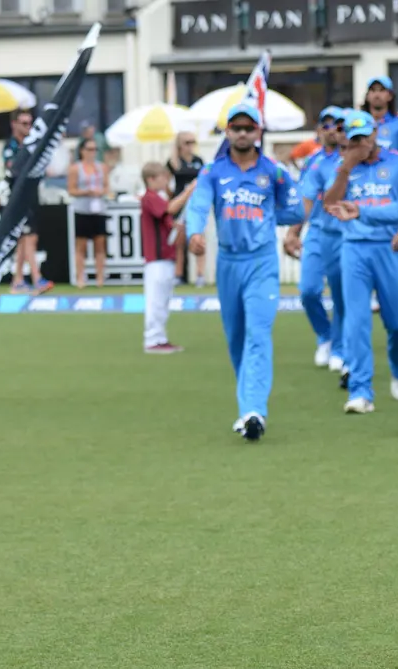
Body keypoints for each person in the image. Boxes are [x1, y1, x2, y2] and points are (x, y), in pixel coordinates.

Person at [184, 103, 305, 441]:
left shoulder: (274, 171)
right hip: (228, 262)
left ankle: (254, 410)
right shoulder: (213, 171)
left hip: (261, 262)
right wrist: (194, 232)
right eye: (236, 128)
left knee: (258, 332)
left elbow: (296, 209)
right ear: (227, 132)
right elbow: (198, 204)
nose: (242, 133)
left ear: (258, 132)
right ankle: (247, 408)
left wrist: (269, 218)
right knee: (236, 337)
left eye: (248, 128)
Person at [321, 110, 398, 415]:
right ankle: (360, 390)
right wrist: (346, 167)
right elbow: (329, 203)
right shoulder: (344, 166)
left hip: (389, 248)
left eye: (365, 136)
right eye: (355, 139)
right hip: (354, 248)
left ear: (375, 133)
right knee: (357, 321)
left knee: (396, 322)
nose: (361, 143)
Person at [285, 106, 347, 374]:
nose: (332, 130)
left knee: (342, 295)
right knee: (308, 290)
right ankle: (325, 336)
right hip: (318, 234)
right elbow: (306, 200)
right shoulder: (314, 162)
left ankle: (340, 348)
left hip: (346, 235)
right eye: (327, 124)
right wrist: (293, 232)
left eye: (338, 125)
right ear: (319, 129)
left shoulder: (354, 159)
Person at [141, 161, 195, 354]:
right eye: (163, 177)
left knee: (163, 301)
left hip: (165, 257)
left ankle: (160, 338)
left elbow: (166, 220)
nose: (166, 181)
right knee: (156, 301)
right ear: (151, 179)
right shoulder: (150, 198)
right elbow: (170, 209)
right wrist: (188, 192)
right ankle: (152, 339)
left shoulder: (157, 198)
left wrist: (175, 227)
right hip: (156, 260)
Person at [3, 110, 52, 294]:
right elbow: (14, 168)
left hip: (30, 195)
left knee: (25, 239)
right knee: (28, 238)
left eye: (30, 124)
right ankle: (36, 277)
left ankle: (18, 280)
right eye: (24, 123)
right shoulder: (11, 146)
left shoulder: (32, 145)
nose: (28, 128)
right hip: (18, 197)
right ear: (14, 124)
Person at [68, 137, 109, 288]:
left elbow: (107, 187)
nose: (93, 152)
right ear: (82, 151)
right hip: (82, 209)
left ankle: (100, 277)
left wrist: (100, 192)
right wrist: (86, 192)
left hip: (98, 209)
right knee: (81, 245)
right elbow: (71, 189)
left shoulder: (102, 167)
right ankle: (80, 277)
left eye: (95, 149)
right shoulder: (75, 168)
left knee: (100, 244)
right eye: (89, 149)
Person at [168, 131, 206, 285]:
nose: (190, 146)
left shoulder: (199, 161)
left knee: (198, 238)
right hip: (181, 204)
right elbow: (169, 181)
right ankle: (178, 274)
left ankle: (200, 275)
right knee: (180, 241)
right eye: (187, 142)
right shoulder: (174, 162)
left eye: (192, 142)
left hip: (196, 204)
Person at [360, 76, 398, 154]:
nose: (377, 94)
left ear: (390, 96)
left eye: (382, 90)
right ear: (367, 96)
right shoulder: (359, 123)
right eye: (373, 90)